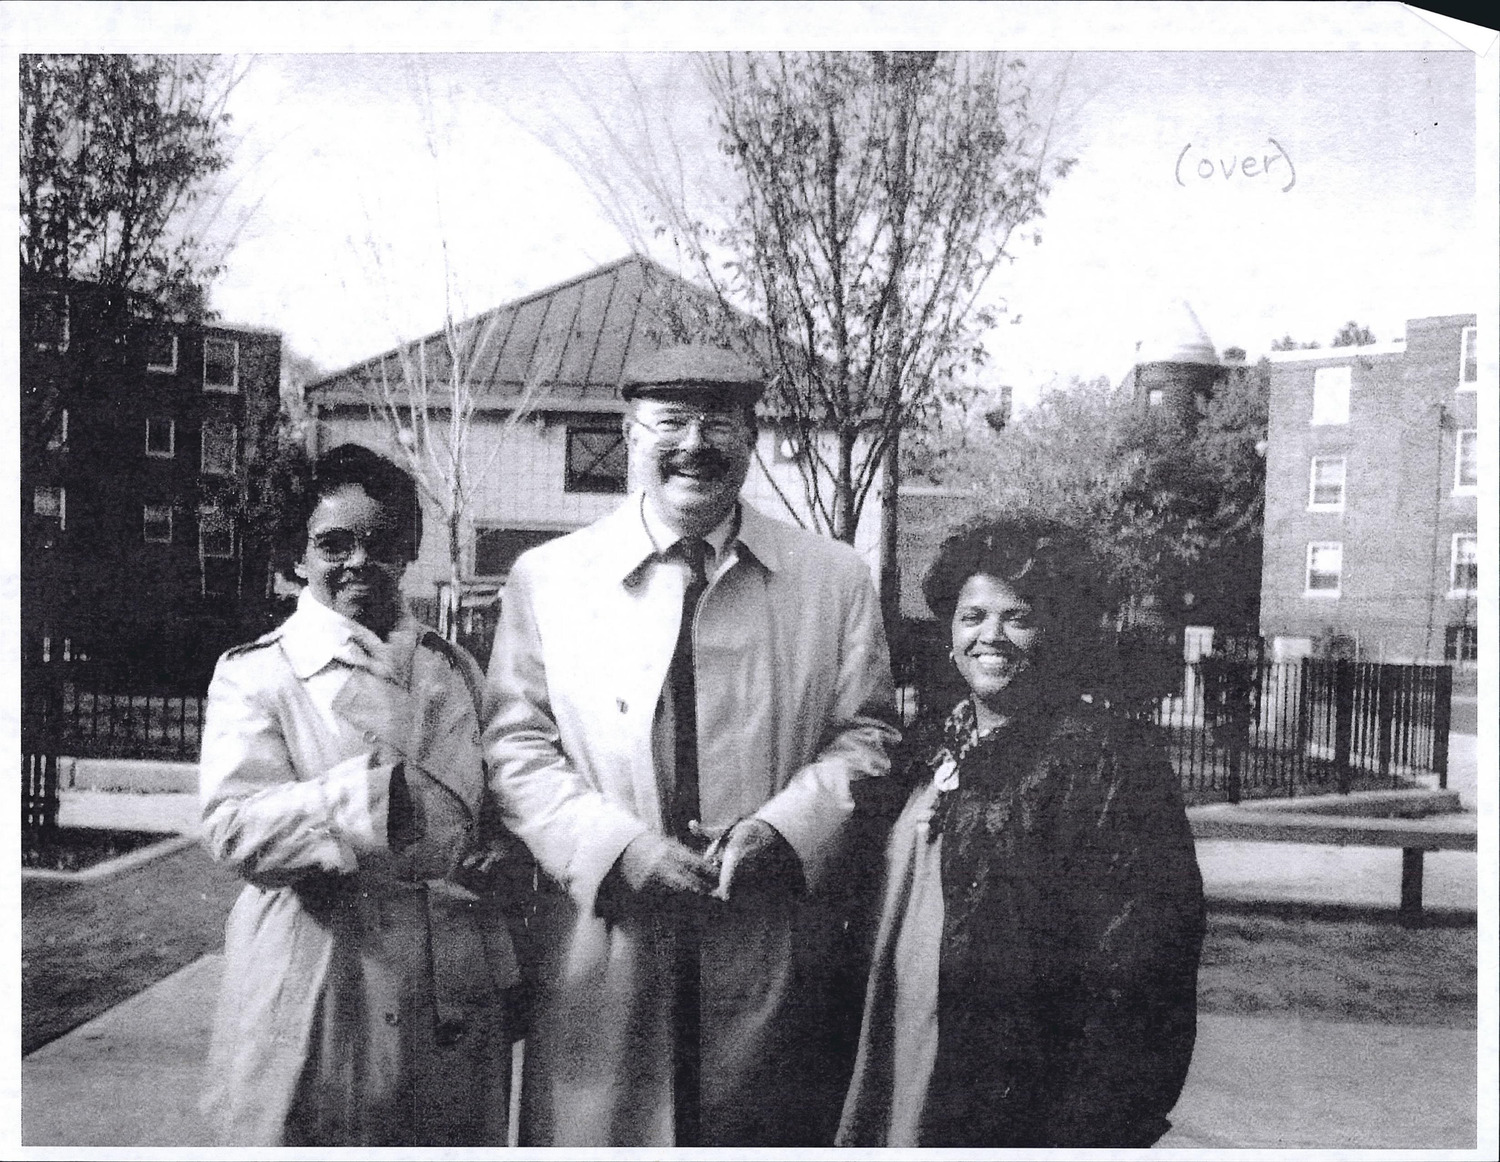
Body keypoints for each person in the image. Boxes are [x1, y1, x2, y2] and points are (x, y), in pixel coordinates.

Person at [483, 344, 899, 1147]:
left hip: (764, 930)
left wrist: (785, 831)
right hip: (606, 934)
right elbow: (514, 746)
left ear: (753, 437)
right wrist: (616, 850)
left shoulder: (834, 579)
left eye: (720, 424)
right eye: (670, 423)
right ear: (628, 435)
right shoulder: (550, 578)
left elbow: (868, 734)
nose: (695, 445)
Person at [837, 517, 1206, 1149]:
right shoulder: (924, 747)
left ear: (1059, 632)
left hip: (1013, 1101)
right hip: (893, 1055)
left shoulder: (1107, 761)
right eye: (972, 617)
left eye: (1019, 618)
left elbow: (1145, 970)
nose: (990, 636)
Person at [198, 443, 517, 1146]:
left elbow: (492, 800)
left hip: (447, 980)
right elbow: (233, 829)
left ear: (408, 550)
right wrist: (366, 804)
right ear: (298, 555)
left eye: (381, 541)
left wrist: (498, 846)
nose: (359, 561)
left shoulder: (454, 668)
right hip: (322, 970)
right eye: (333, 543)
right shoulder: (260, 674)